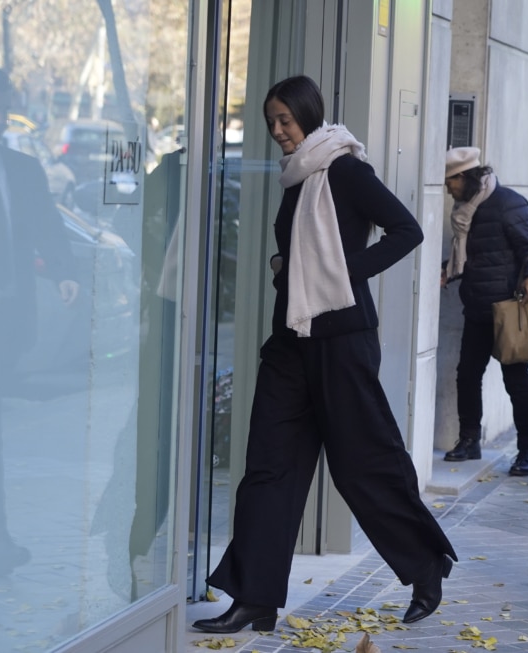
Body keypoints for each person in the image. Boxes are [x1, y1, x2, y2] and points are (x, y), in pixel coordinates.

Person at [192, 75, 456, 634]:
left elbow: (407, 231)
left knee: (363, 463)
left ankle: (426, 564)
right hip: (291, 342)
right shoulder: (297, 179)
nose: (279, 132)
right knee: (267, 468)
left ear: (309, 116)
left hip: (341, 343)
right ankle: (254, 599)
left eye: (286, 120)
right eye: (271, 123)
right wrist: (287, 268)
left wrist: (338, 275)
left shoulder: (343, 169)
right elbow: (301, 253)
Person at [0, 65, 79, 577]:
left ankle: (0, 539)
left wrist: (63, 274)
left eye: (1, 112)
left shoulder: (21, 167)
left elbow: (46, 228)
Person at [440, 147, 528, 476]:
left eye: (449, 182)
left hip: (508, 308)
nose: (447, 189)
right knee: (467, 375)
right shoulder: (465, 209)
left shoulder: (508, 203)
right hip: (477, 307)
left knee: (516, 381)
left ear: (464, 177)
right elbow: (469, 254)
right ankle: (469, 439)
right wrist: (447, 270)